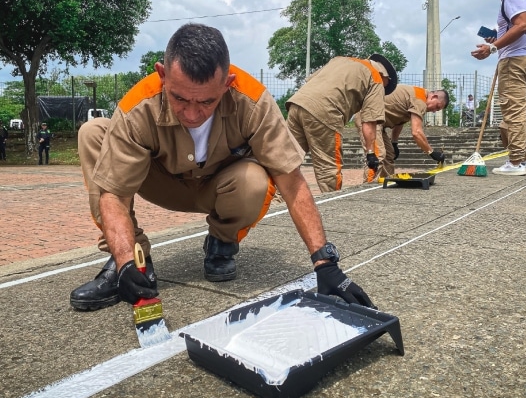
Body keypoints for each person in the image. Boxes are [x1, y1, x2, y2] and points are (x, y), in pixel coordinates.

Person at [69, 23, 375, 312]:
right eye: (179, 98)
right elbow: (114, 196)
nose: (191, 113)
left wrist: (325, 262)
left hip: (221, 189)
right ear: (162, 75)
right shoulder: (139, 104)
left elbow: (291, 181)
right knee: (93, 132)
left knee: (257, 179)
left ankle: (222, 243)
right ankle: (136, 265)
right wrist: (125, 260)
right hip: (159, 182)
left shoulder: (251, 100)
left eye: (206, 102)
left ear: (227, 84)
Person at [285, 54, 398, 192]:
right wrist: (370, 153)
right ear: (385, 75)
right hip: (325, 111)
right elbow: (369, 122)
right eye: (386, 86)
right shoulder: (375, 78)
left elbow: (311, 80)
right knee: (329, 169)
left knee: (287, 162)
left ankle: (276, 205)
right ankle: (332, 206)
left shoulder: (339, 60)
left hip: (296, 104)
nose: (384, 90)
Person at [471, 0, 526, 176]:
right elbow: (518, 27)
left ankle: (516, 161)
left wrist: (493, 47)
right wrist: (498, 39)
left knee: (513, 112)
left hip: (515, 60)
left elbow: (522, 25)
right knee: (518, 109)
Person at [354, 85, 448, 182]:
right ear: (434, 97)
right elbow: (417, 132)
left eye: (437, 110)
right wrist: (431, 152)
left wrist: (394, 142)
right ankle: (368, 186)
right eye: (437, 107)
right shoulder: (420, 100)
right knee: (378, 155)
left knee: (389, 155)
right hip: (369, 118)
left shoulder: (417, 96)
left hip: (378, 121)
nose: (433, 111)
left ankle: (386, 184)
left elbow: (400, 120)